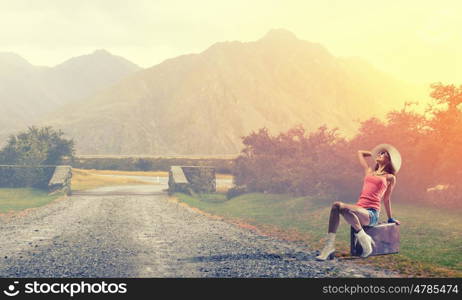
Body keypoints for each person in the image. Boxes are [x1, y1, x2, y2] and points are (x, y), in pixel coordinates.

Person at [315, 143, 402, 261]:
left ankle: (363, 239)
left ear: (389, 160)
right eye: (380, 153)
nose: (380, 154)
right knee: (337, 208)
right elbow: (360, 152)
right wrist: (375, 153)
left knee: (337, 205)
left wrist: (390, 218)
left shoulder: (390, 177)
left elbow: (386, 199)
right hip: (358, 209)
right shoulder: (369, 171)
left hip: (371, 214)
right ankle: (330, 246)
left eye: (384, 154)